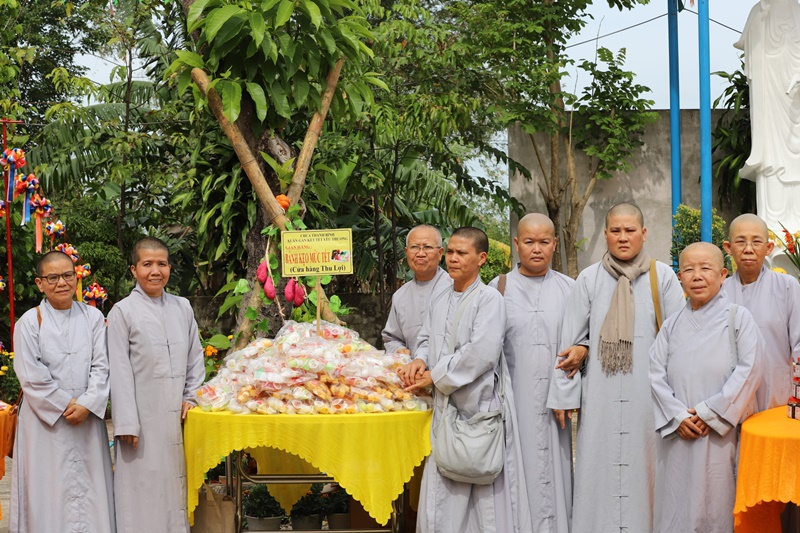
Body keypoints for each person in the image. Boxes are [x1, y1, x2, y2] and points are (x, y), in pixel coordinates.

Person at [546, 203, 684, 533]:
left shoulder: (662, 276)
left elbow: (679, 339)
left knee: (647, 469)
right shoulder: (590, 279)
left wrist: (679, 401)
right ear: (606, 234)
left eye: (630, 230)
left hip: (648, 396)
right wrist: (565, 396)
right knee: (597, 468)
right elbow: (571, 339)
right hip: (601, 394)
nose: (623, 238)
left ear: (644, 233)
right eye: (616, 231)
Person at [399, 227, 532, 533]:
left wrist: (435, 375)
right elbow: (426, 337)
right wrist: (420, 360)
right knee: (442, 494)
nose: (453, 259)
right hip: (444, 406)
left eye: (462, 253)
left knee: (484, 497)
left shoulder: (490, 300)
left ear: (481, 258)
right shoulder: (440, 295)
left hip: (479, 406)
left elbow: (481, 353)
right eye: (450, 252)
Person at [650, 242, 762, 533]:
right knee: (675, 501)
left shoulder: (737, 318)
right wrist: (678, 417)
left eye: (705, 268)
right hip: (679, 434)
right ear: (679, 278)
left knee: (717, 502)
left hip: (719, 433)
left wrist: (709, 412)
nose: (697, 276)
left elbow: (750, 371)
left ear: (723, 274)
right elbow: (655, 373)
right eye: (688, 269)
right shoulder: (672, 324)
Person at [10, 251, 115, 532]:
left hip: (87, 418)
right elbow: (30, 376)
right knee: (48, 487)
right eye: (53, 277)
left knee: (91, 485)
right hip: (45, 424)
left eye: (68, 275)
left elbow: (102, 366)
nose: (62, 283)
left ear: (76, 277)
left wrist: (88, 403)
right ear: (39, 283)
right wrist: (65, 405)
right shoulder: (29, 322)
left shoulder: (93, 317)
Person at [108, 237, 205, 532]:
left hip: (180, 415)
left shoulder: (182, 307)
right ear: (133, 269)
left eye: (161, 264)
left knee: (177, 486)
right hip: (142, 421)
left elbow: (195, 358)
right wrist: (126, 423)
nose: (155, 271)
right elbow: (119, 371)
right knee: (143, 488)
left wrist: (193, 397)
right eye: (147, 264)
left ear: (169, 268)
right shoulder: (122, 312)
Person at [489, 213, 573, 533]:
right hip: (514, 402)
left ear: (554, 244)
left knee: (557, 472)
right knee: (515, 473)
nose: (536, 249)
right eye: (528, 242)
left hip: (557, 404)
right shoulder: (497, 289)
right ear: (516, 244)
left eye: (543, 242)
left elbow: (582, 343)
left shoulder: (571, 289)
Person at [722, 213, 800, 410]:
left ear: (769, 248)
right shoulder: (720, 293)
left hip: (778, 393)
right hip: (731, 397)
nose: (748, 249)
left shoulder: (787, 287)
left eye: (756, 242)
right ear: (728, 248)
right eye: (740, 242)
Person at [735, 0, 800, 233]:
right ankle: (775, 225)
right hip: (770, 100)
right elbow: (749, 52)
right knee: (773, 162)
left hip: (795, 101)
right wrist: (761, 18)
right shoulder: (760, 12)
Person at [382, 224, 451, 356]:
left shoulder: (455, 289)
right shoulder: (400, 296)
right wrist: (398, 349)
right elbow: (391, 338)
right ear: (406, 251)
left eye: (427, 247)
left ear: (440, 253)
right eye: (414, 247)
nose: (420, 254)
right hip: (412, 373)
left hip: (447, 373)